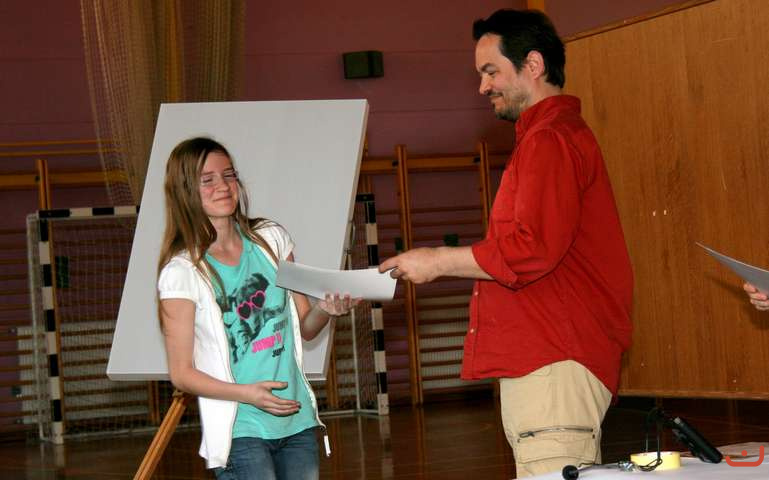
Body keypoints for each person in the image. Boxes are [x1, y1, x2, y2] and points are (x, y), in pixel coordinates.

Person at [379, 9, 633, 478]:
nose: (483, 86)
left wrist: (437, 261)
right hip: (550, 359)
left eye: (491, 71)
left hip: (554, 358)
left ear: (533, 65)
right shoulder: (549, 136)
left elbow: (531, 249)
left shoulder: (550, 139)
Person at [157, 137, 358, 479]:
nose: (223, 186)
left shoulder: (272, 239)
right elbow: (182, 373)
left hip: (296, 420)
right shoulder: (181, 272)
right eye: (208, 180)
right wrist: (247, 394)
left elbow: (306, 327)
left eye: (229, 175)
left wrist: (327, 309)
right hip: (241, 428)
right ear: (185, 190)